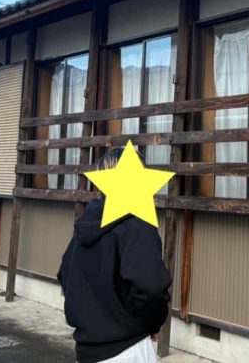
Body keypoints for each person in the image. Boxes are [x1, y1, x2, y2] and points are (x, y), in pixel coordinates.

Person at [58, 147, 172, 363]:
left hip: (87, 351)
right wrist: (153, 324)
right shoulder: (137, 223)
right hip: (128, 349)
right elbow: (151, 287)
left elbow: (65, 275)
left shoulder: (85, 225)